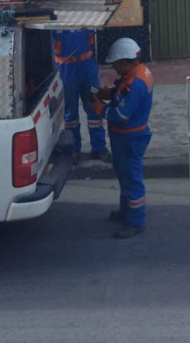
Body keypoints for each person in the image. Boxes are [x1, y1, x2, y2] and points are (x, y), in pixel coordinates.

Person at [91, 38, 153, 239]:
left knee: (132, 179)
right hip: (125, 138)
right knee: (124, 175)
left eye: (116, 64)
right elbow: (117, 93)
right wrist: (99, 92)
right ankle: (125, 213)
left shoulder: (136, 84)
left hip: (130, 138)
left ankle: (136, 222)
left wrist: (99, 107)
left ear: (125, 62)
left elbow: (121, 114)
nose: (114, 69)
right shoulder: (134, 75)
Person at [51, 29, 111, 163]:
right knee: (69, 113)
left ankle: (99, 148)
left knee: (95, 102)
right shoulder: (56, 18)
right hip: (65, 69)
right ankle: (73, 149)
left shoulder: (85, 13)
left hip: (89, 68)